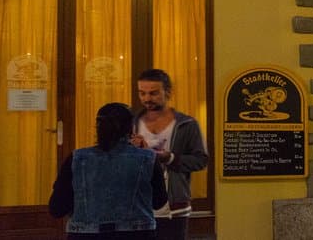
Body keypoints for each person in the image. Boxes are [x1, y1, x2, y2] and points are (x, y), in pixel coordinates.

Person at [49, 102, 167, 239]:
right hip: (137, 234)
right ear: (130, 129)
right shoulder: (148, 158)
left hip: (86, 234)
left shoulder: (76, 159)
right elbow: (159, 202)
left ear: (98, 128)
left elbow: (56, 208)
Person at [132, 69, 209, 240]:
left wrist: (170, 158)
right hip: (138, 206)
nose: (146, 99)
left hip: (175, 208)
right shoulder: (132, 122)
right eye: (142, 93)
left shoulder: (187, 124)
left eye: (153, 93)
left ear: (168, 92)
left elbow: (201, 160)